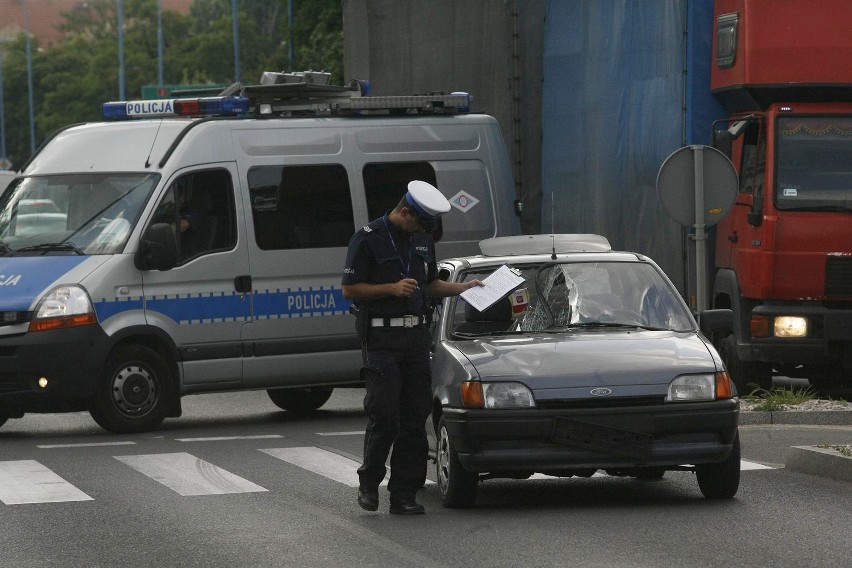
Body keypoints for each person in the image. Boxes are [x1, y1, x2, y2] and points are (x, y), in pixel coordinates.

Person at [341, 180, 483, 515]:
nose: (420, 230)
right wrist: (391, 288)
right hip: (382, 341)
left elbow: (430, 284)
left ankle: (404, 493)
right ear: (404, 212)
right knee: (384, 415)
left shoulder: (421, 238)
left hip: (416, 340)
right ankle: (369, 481)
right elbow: (350, 289)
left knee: (415, 417)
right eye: (418, 222)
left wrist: (464, 287)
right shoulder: (367, 238)